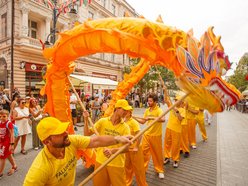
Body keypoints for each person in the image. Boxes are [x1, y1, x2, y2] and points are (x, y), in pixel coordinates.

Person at [23, 116, 132, 185]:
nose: (66, 133)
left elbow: (95, 141)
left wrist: (117, 139)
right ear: (47, 142)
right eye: (59, 133)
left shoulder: (71, 141)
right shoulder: (40, 169)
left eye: (64, 129)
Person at [84, 99, 132, 186]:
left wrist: (112, 151)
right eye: (124, 110)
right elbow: (86, 134)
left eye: (127, 110)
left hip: (116, 164)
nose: (126, 112)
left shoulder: (125, 127)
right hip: (100, 161)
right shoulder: (103, 121)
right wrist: (86, 120)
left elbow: (127, 148)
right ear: (117, 109)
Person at [134, 93, 165, 179]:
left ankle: (160, 170)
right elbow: (143, 121)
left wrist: (151, 118)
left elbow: (163, 119)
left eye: (150, 101)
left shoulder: (159, 110)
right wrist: (133, 118)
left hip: (156, 136)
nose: (149, 102)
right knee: (143, 153)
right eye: (148, 100)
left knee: (157, 154)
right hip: (147, 135)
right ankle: (143, 169)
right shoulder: (147, 110)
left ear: (155, 101)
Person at [124, 107, 148, 186]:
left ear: (130, 113)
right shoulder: (122, 121)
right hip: (126, 149)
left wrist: (136, 147)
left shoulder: (133, 122)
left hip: (135, 149)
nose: (124, 113)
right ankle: (128, 182)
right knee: (127, 167)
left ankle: (142, 184)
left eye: (126, 111)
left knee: (138, 169)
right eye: (124, 111)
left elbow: (140, 135)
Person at [163, 97, 183, 168]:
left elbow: (180, 119)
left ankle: (175, 160)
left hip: (176, 130)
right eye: (175, 100)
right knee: (167, 143)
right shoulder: (172, 106)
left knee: (175, 146)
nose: (176, 101)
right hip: (169, 127)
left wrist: (177, 111)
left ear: (181, 102)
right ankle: (167, 157)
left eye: (178, 100)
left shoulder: (183, 110)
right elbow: (166, 100)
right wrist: (165, 90)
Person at [0, 109, 17, 179]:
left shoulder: (8, 123)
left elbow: (12, 134)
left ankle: (0, 172)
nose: (1, 118)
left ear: (7, 116)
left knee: (2, 157)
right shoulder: (0, 122)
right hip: (1, 142)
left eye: (4, 116)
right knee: (8, 155)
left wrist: (12, 144)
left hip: (7, 143)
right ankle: (14, 166)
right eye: (0, 116)